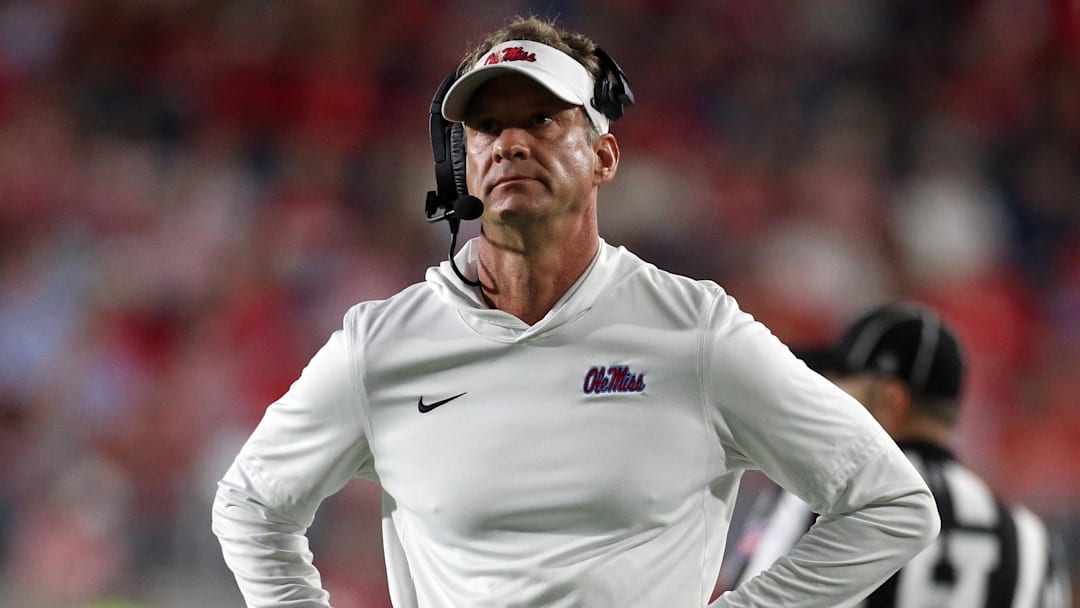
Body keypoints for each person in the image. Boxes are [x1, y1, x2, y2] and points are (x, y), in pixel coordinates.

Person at [212, 16, 940, 607]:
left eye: (542, 119)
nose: (511, 143)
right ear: (460, 161)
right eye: (488, 126)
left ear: (604, 156)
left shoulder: (694, 334)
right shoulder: (380, 345)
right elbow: (250, 504)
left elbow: (890, 504)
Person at [728, 302, 1073, 607]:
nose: (821, 397)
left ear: (890, 399)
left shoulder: (814, 501)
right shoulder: (1028, 536)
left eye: (837, 382)